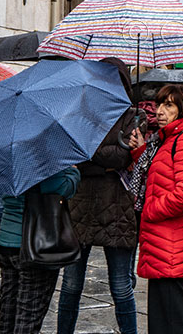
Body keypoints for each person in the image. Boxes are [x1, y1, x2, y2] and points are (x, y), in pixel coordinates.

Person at [57, 58, 140, 334]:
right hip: (80, 205)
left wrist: (93, 152)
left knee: (120, 286)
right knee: (71, 284)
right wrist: (104, 156)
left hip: (118, 208)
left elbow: (121, 157)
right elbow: (73, 152)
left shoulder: (131, 115)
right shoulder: (81, 111)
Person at [134, 84, 183, 334]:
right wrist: (141, 151)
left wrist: (150, 211)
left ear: (182, 109)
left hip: (172, 241)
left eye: (169, 105)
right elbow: (161, 177)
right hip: (162, 242)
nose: (160, 111)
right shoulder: (168, 139)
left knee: (176, 319)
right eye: (160, 104)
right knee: (162, 318)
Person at [0, 166, 80, 334]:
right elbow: (63, 188)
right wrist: (73, 171)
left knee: (8, 312)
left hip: (6, 242)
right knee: (28, 316)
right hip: (33, 245)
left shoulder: (5, 160)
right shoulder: (42, 161)